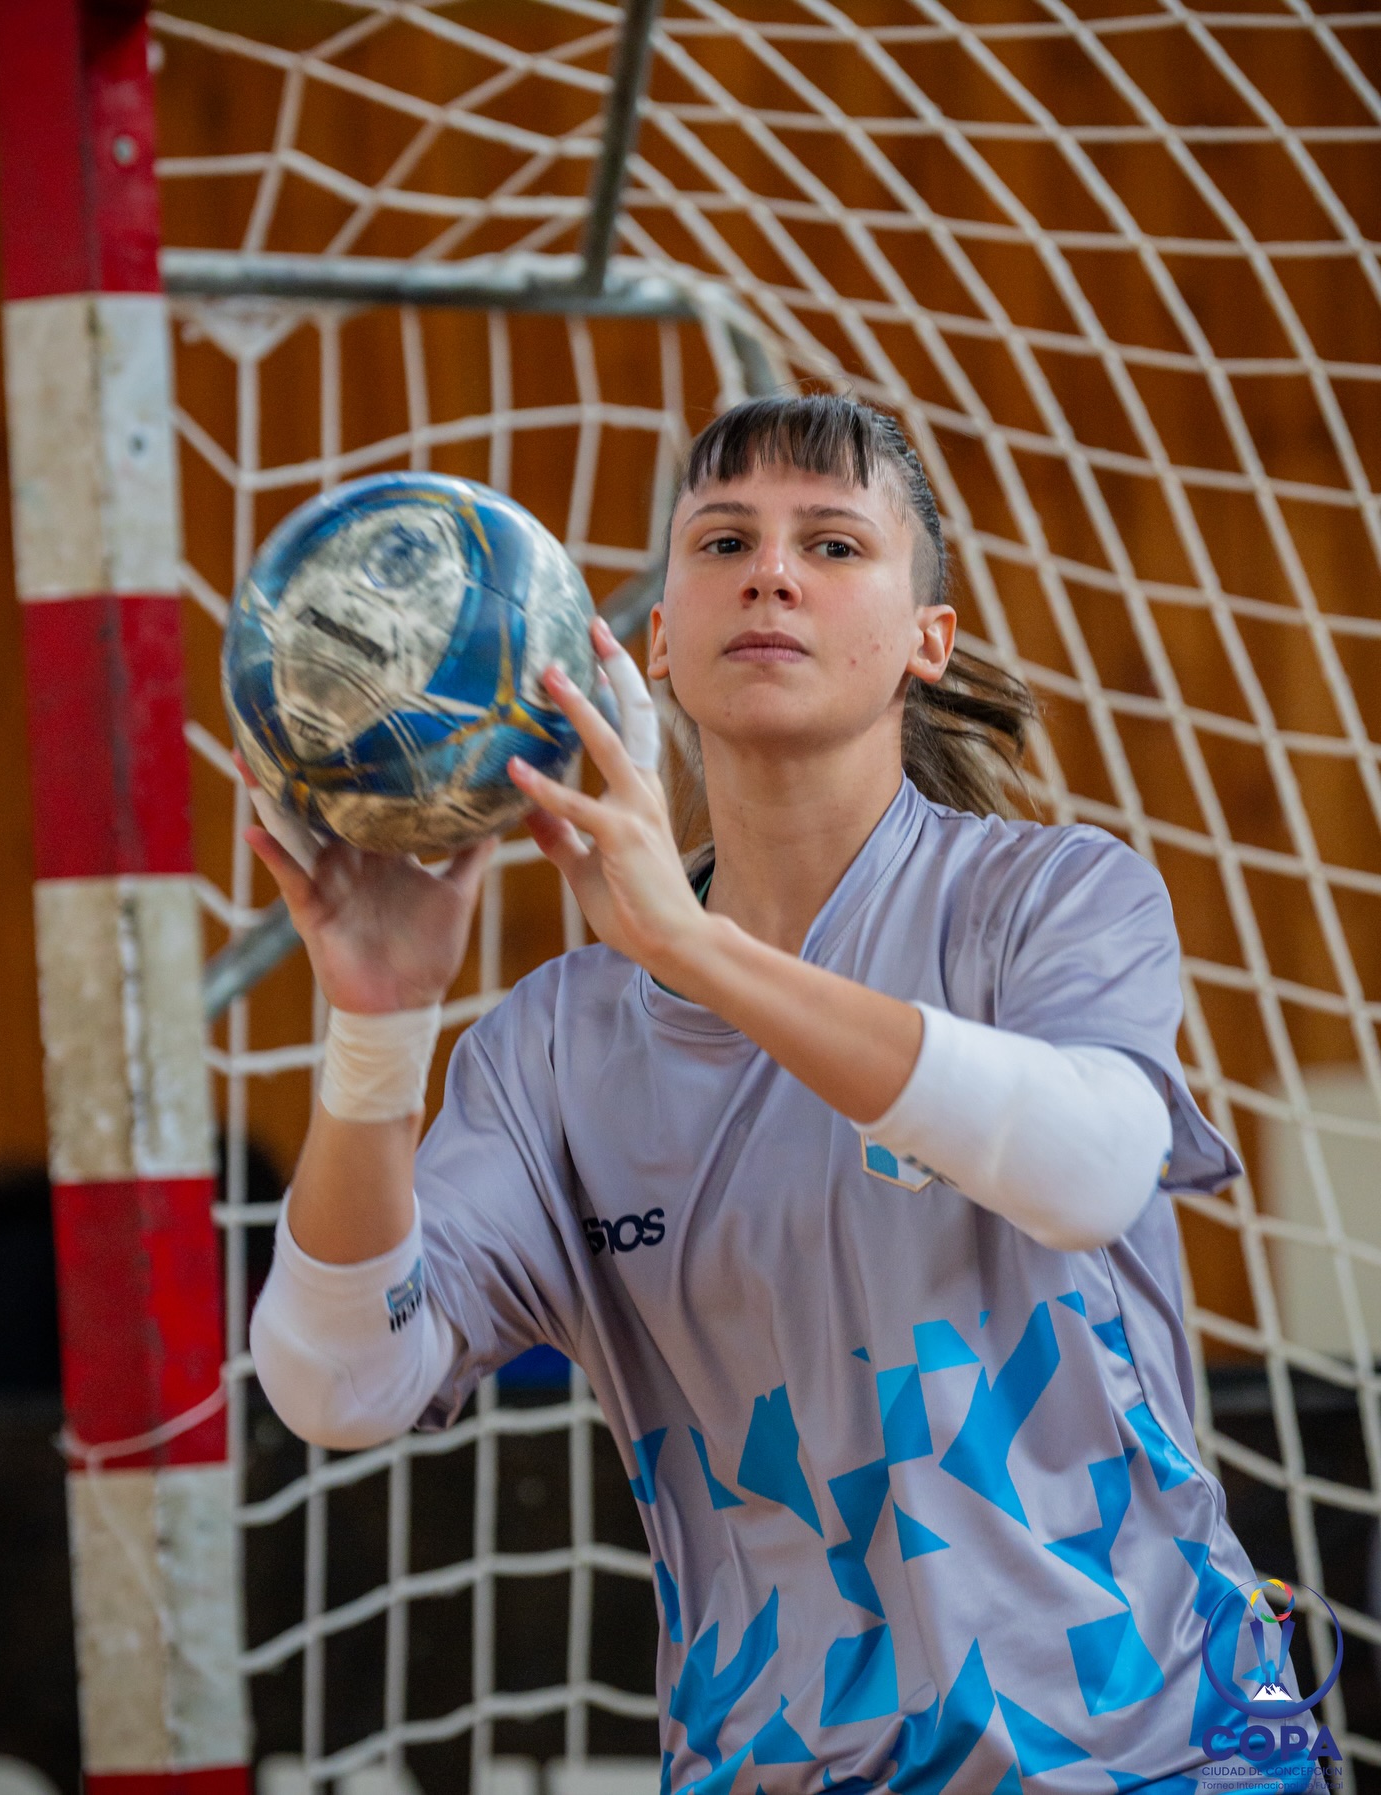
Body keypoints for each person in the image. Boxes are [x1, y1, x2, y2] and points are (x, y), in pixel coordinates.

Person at [248, 395, 1256, 1793]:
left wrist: (693, 949)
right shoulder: (554, 1047)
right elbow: (336, 1379)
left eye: (834, 545)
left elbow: (1089, 1166)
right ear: (657, 638)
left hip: (1158, 1762)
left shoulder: (1053, 898)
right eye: (723, 540)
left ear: (927, 642)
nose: (771, 571)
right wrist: (377, 1031)